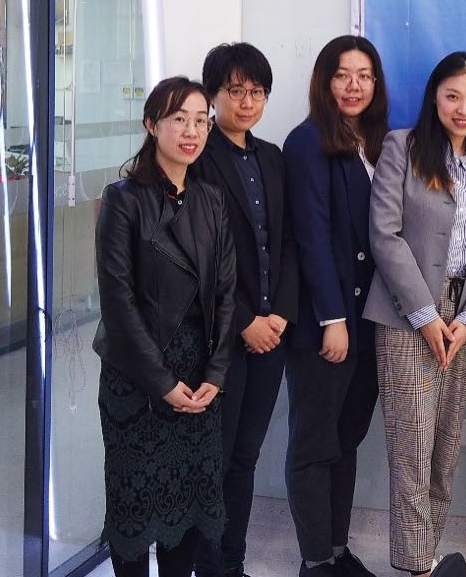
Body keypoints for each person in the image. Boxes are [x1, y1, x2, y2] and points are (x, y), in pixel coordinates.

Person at [364, 51, 466, 577]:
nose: (464, 108)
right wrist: (424, 314)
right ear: (434, 97)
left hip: (464, 318)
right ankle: (417, 565)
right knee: (412, 446)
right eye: (453, 96)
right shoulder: (402, 146)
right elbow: (384, 234)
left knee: (445, 448)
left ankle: (428, 552)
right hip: (407, 315)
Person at [94, 77, 236, 577]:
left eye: (201, 121)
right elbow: (118, 304)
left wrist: (216, 373)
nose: (191, 131)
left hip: (198, 373)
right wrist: (160, 382)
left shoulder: (211, 200)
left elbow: (226, 293)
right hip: (138, 375)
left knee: (190, 504)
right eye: (179, 119)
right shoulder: (123, 199)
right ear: (152, 124)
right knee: (135, 507)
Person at [284, 35, 391, 577]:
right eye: (343, 75)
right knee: (314, 443)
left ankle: (338, 550)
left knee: (346, 440)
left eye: (365, 75)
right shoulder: (307, 141)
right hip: (327, 323)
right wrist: (332, 319)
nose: (354, 86)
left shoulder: (375, 144)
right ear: (324, 82)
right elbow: (313, 235)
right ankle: (314, 560)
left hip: (370, 322)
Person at [192, 43, 298, 577]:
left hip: (271, 333)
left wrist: (280, 314)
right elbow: (197, 258)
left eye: (257, 91)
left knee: (246, 455)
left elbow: (287, 243)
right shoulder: (197, 156)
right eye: (235, 91)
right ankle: (207, 564)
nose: (247, 101)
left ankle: (231, 561)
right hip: (218, 337)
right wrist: (243, 322)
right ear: (213, 94)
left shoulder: (272, 157)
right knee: (212, 455)